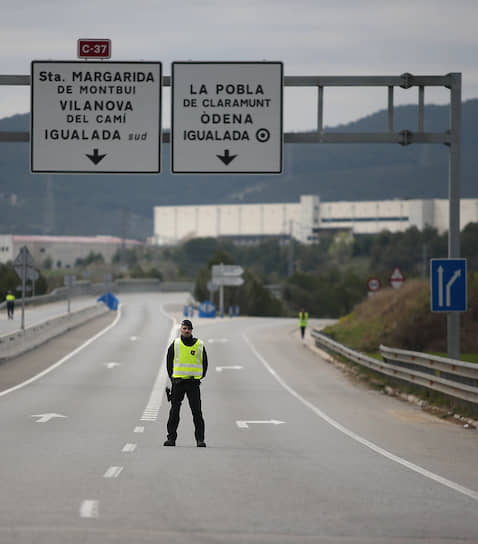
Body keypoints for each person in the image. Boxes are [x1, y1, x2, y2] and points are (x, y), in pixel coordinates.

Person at [164, 319, 208, 447]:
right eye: (184, 328)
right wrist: (172, 378)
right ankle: (171, 438)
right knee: (174, 412)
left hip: (193, 384)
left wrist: (200, 376)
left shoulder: (199, 344)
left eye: (189, 328)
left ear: (192, 330)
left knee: (197, 412)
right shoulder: (175, 344)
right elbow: (169, 362)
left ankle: (200, 440)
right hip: (178, 383)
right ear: (181, 329)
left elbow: (205, 363)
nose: (186, 330)